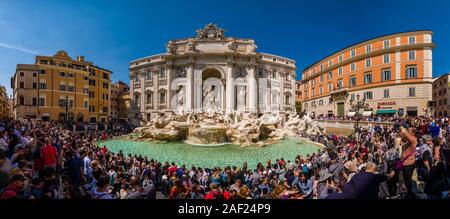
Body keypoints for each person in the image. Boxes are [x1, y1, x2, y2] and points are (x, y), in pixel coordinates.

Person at [327, 162, 395, 199]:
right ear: (373, 168)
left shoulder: (357, 175)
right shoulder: (375, 176)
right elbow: (389, 177)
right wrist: (392, 173)